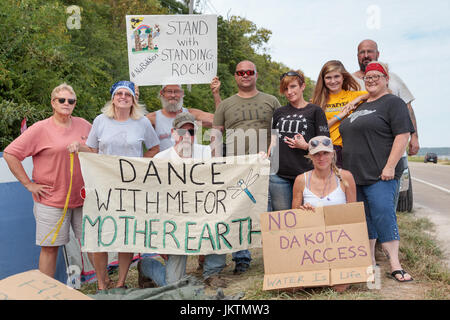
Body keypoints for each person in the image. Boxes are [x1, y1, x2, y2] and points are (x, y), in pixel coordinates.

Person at [69, 80, 160, 290]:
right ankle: (102, 283)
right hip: (102, 186)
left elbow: (154, 148)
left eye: (127, 94)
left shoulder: (142, 122)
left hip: (130, 187)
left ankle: (120, 282)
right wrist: (79, 146)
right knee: (99, 234)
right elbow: (92, 151)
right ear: (113, 97)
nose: (123, 97)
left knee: (125, 233)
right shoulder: (101, 120)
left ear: (133, 99)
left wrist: (137, 165)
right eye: (119, 94)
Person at [3, 83, 92, 278]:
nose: (66, 103)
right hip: (51, 200)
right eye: (62, 100)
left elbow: (97, 152)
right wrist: (28, 184)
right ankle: (47, 292)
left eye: (71, 101)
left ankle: (104, 285)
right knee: (50, 248)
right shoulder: (40, 128)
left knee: (93, 242)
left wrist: (82, 147)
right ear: (53, 102)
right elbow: (10, 153)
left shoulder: (85, 125)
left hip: (84, 198)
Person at [340, 61, 415, 283]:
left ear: (386, 79)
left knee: (383, 213)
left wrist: (390, 166)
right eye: (368, 77)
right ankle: (369, 260)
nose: (372, 80)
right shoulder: (360, 105)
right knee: (364, 219)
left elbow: (403, 135)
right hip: (355, 175)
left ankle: (395, 264)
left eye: (377, 77)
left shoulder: (394, 103)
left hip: (380, 173)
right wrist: (356, 100)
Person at [137, 113, 228, 288]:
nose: (186, 136)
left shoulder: (208, 152)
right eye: (181, 131)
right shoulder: (160, 159)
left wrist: (258, 159)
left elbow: (230, 170)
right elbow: (155, 201)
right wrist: (161, 241)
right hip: (175, 224)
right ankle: (146, 266)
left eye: (191, 131)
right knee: (174, 283)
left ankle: (212, 272)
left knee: (220, 220)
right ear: (173, 132)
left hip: (203, 214)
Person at [212, 60, 281, 274]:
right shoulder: (225, 105)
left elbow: (278, 131)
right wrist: (216, 163)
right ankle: (241, 257)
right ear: (235, 76)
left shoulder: (271, 100)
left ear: (256, 75)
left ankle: (274, 255)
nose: (245, 75)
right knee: (239, 210)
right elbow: (216, 134)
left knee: (267, 210)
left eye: (249, 71)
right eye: (241, 72)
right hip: (236, 167)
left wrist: (271, 154)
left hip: (267, 164)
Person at [291, 135, 356, 292]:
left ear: (333, 154)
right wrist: (303, 211)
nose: (321, 158)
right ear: (310, 156)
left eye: (325, 153)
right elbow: (293, 216)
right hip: (311, 244)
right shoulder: (301, 180)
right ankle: (315, 275)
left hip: (338, 245)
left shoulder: (345, 177)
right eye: (316, 154)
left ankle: (329, 274)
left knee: (339, 287)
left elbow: (354, 215)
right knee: (294, 288)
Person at [268, 70, 329, 211]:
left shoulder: (315, 111)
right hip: (279, 176)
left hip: (306, 175)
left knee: (306, 219)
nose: (289, 92)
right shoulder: (279, 112)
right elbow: (274, 141)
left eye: (293, 86)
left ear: (302, 86)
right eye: (285, 89)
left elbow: (325, 144)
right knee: (283, 219)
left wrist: (306, 146)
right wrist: (266, 157)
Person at [352, 39, 419, 157]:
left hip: (393, 147)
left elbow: (407, 108)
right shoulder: (350, 81)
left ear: (378, 54)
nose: (366, 55)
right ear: (357, 56)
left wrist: (414, 137)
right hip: (361, 148)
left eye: (370, 51)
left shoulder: (393, 78)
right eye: (362, 52)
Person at [312, 60, 368, 167]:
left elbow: (384, 92)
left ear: (343, 77)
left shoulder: (352, 96)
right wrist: (339, 116)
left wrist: (359, 98)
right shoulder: (318, 101)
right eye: (328, 77)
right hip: (327, 149)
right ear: (323, 80)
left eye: (336, 76)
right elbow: (317, 129)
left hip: (350, 149)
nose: (333, 81)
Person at [146, 78, 221, 152]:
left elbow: (219, 121)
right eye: (169, 91)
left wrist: (216, 94)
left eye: (176, 91)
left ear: (182, 93)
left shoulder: (192, 114)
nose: (173, 95)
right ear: (162, 93)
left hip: (191, 162)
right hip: (166, 163)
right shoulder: (153, 118)